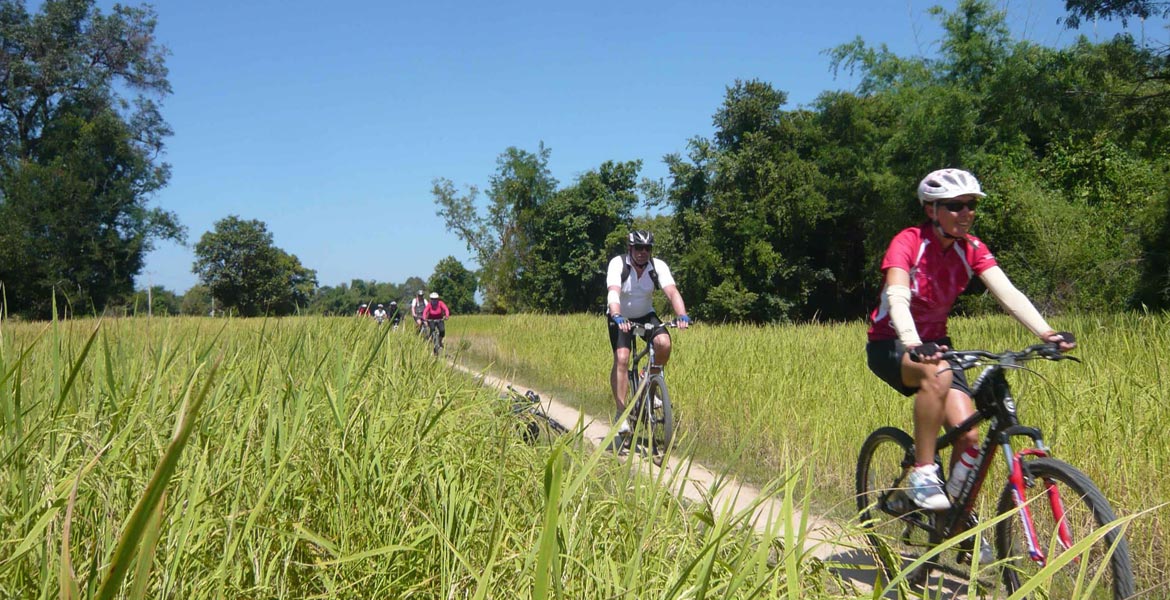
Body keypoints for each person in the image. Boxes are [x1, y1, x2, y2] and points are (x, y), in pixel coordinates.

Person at [866, 168, 1075, 510]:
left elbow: (1008, 293)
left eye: (971, 205)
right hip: (893, 342)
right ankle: (923, 470)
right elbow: (898, 297)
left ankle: (954, 518)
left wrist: (1046, 332)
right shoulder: (909, 242)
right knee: (937, 374)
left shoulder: (972, 248)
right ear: (931, 210)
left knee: (969, 435)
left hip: (938, 346)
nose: (966, 213)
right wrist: (914, 343)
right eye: (955, 205)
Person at [605, 230, 690, 450]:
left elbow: (671, 292)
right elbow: (613, 291)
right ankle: (621, 412)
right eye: (639, 248)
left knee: (663, 343)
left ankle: (649, 379)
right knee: (622, 358)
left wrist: (682, 315)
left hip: (645, 314)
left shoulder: (657, 266)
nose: (643, 253)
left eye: (647, 249)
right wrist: (616, 315)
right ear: (630, 248)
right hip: (620, 316)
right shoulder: (618, 264)